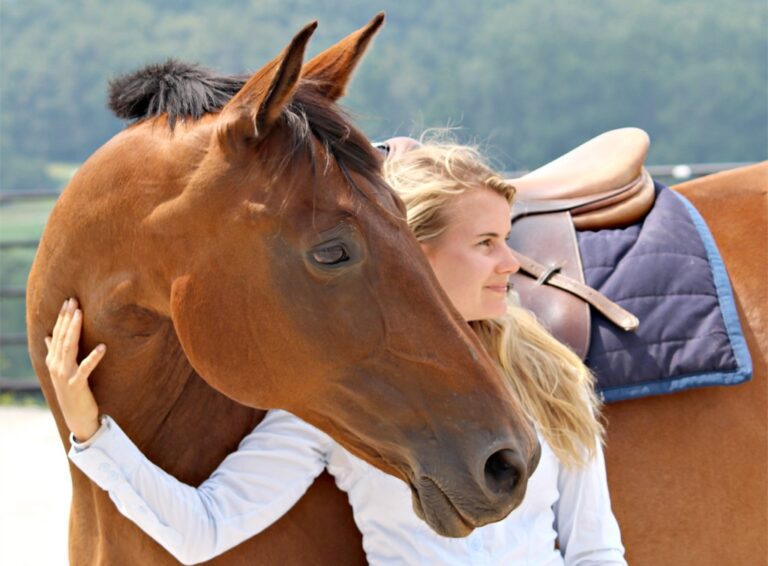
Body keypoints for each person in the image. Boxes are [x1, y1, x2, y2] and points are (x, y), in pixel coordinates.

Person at [46, 137, 626, 565]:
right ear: (412, 253)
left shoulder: (553, 378)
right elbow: (206, 529)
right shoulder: (342, 400)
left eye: (507, 240)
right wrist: (93, 436)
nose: (511, 263)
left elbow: (595, 550)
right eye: (486, 243)